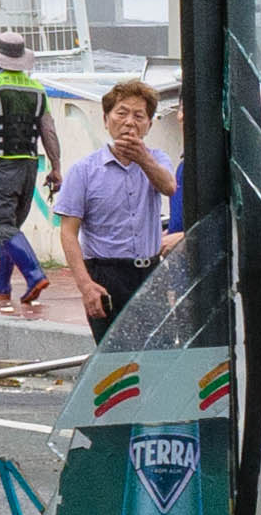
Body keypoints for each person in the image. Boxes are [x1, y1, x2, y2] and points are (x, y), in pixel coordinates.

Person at [52, 78, 181, 329]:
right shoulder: (83, 171)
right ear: (106, 119)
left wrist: (142, 159)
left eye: (139, 116)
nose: (129, 122)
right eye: (121, 113)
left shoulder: (157, 160)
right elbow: (68, 233)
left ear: (149, 125)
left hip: (149, 273)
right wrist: (85, 285)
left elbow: (169, 187)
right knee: (113, 362)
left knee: (155, 356)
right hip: (105, 273)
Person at [0, 38, 60, 311]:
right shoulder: (38, 91)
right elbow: (48, 132)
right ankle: (2, 285)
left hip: (2, 166)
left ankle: (34, 275)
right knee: (10, 227)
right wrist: (56, 166)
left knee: (3, 225)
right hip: (30, 166)